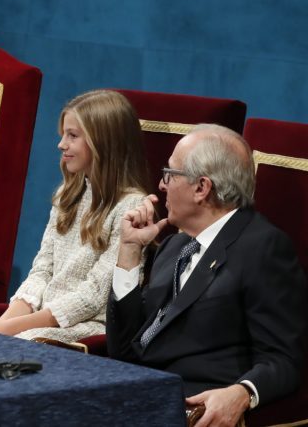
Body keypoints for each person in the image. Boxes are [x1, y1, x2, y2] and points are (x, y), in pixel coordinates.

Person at [107, 124, 306, 426]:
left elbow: (284, 358)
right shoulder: (174, 247)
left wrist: (242, 392)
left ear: (201, 188)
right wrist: (130, 250)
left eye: (169, 174)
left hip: (188, 409)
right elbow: (124, 350)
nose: (161, 185)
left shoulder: (263, 248)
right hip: (136, 394)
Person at [0, 89, 149, 342]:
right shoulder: (67, 194)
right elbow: (42, 269)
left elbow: (93, 296)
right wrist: (3, 324)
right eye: (63, 134)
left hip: (87, 327)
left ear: (103, 141)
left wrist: (12, 328)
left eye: (72, 136)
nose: (61, 144)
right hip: (42, 320)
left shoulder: (131, 206)